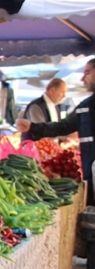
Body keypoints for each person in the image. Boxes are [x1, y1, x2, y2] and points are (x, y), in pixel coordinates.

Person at [16, 59, 95, 204]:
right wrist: (32, 127)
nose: (82, 79)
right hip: (90, 174)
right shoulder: (84, 107)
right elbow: (62, 127)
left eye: (87, 73)